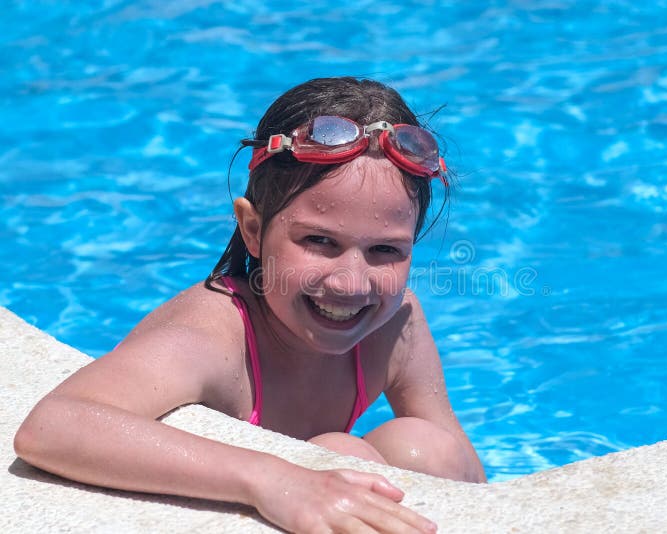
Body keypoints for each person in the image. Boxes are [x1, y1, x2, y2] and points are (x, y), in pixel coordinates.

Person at [14, 76, 485, 533]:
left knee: (424, 448)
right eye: (318, 240)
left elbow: (469, 476)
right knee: (344, 454)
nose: (350, 283)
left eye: (386, 250)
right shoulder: (212, 337)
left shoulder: (396, 324)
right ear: (253, 230)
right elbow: (54, 425)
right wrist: (275, 480)